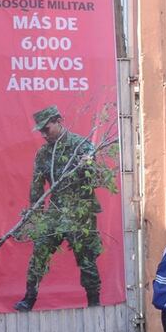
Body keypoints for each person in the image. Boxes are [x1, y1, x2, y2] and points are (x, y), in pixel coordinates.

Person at [13, 106, 107, 311]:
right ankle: (29, 298)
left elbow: (100, 178)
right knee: (40, 252)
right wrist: (35, 217)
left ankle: (94, 302)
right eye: (41, 131)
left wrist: (88, 166)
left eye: (47, 129)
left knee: (86, 258)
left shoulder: (81, 145)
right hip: (55, 211)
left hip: (80, 212)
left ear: (58, 121)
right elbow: (36, 187)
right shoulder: (43, 154)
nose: (44, 134)